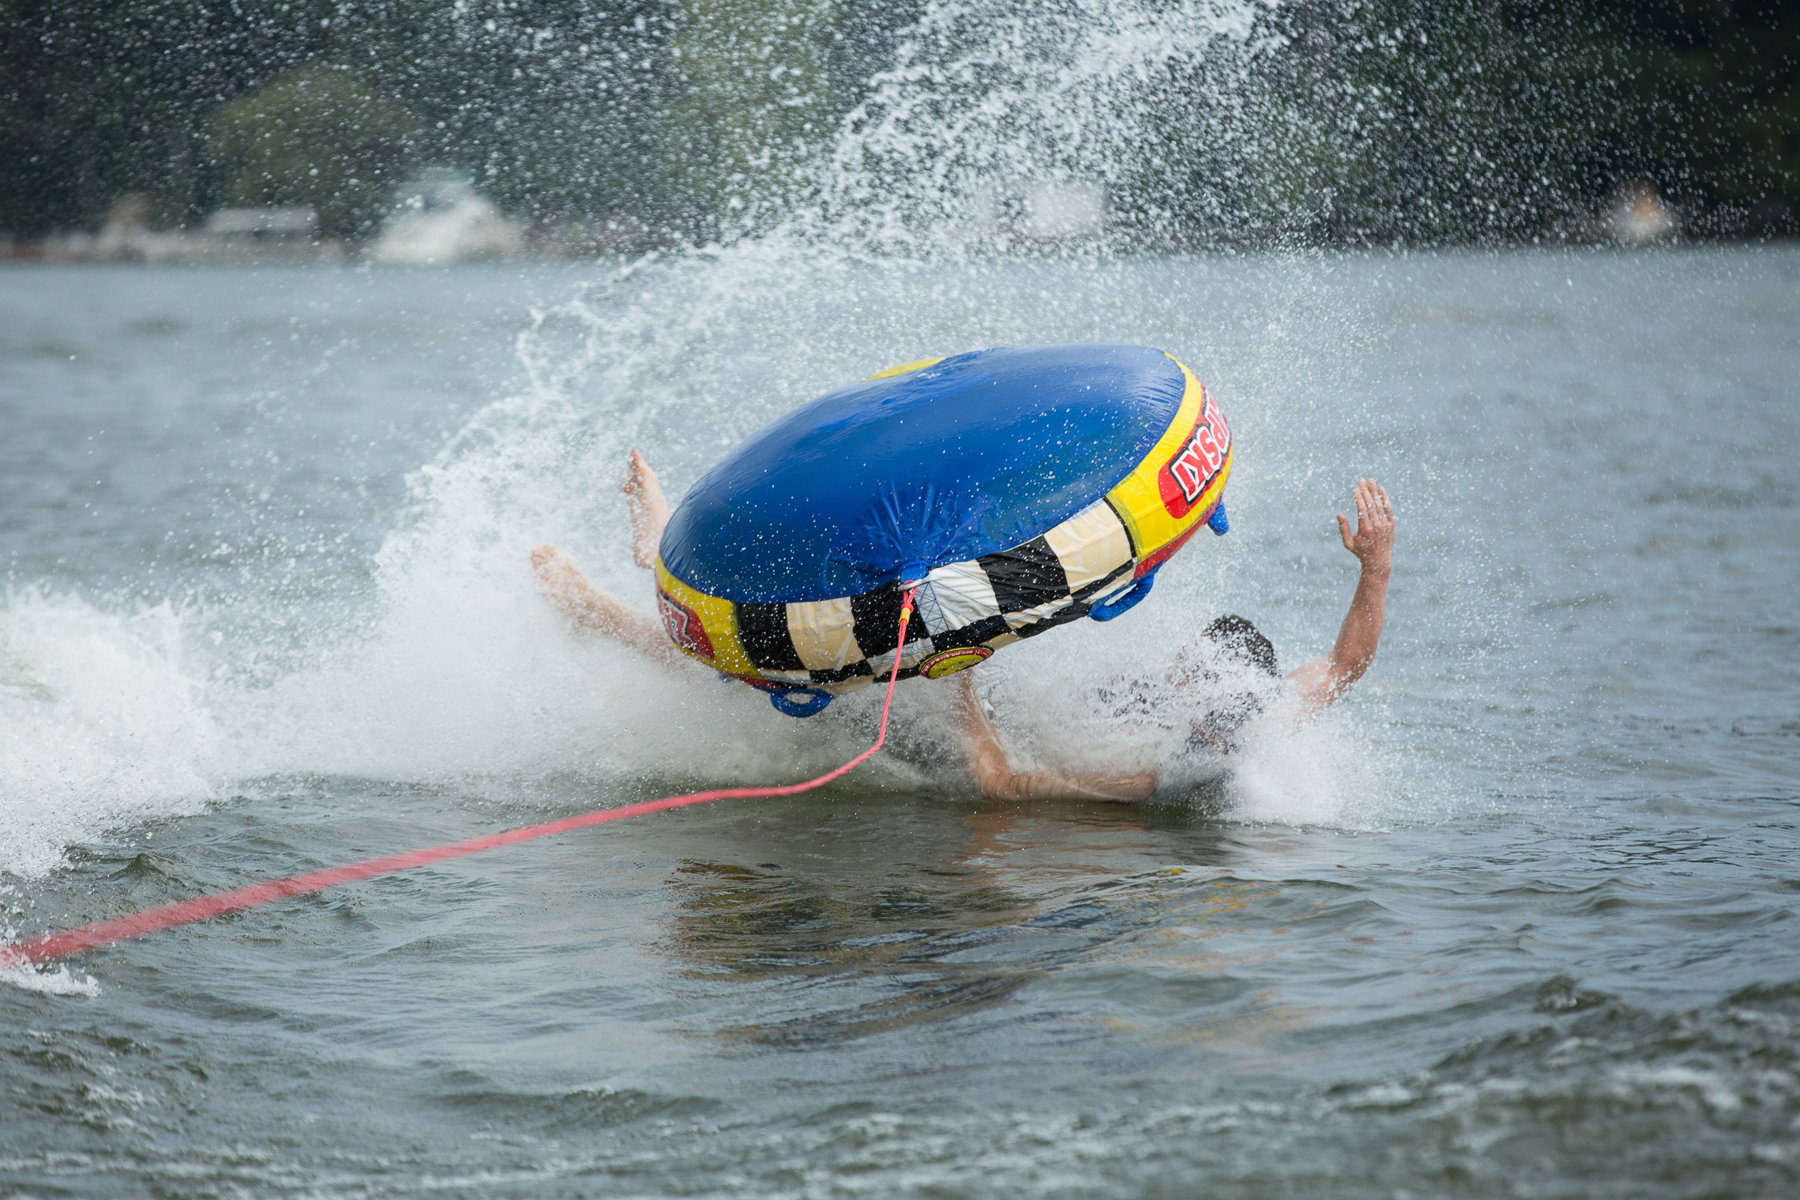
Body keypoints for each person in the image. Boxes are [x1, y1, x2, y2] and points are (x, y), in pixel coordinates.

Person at [532, 454, 1395, 803]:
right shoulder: (1264, 707)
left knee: (767, 676)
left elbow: (999, 785)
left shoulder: (1154, 770)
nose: (1177, 665)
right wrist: (1376, 564)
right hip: (995, 698)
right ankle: (648, 559)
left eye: (1188, 667)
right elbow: (1347, 664)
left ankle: (619, 590)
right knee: (776, 654)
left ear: (1203, 696)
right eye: (1187, 657)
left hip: (961, 724)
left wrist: (959, 672)